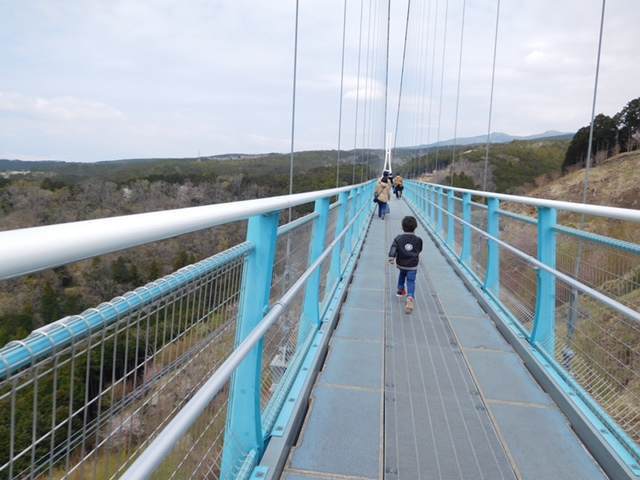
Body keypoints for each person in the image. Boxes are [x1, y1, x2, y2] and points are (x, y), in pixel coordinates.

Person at [388, 216, 423, 313]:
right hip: (413, 264)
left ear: (402, 227)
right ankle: (410, 297)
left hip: (401, 263)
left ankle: (400, 289)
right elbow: (419, 249)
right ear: (415, 227)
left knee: (402, 274)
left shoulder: (398, 238)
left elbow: (393, 248)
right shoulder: (418, 240)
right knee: (411, 280)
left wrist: (391, 257)